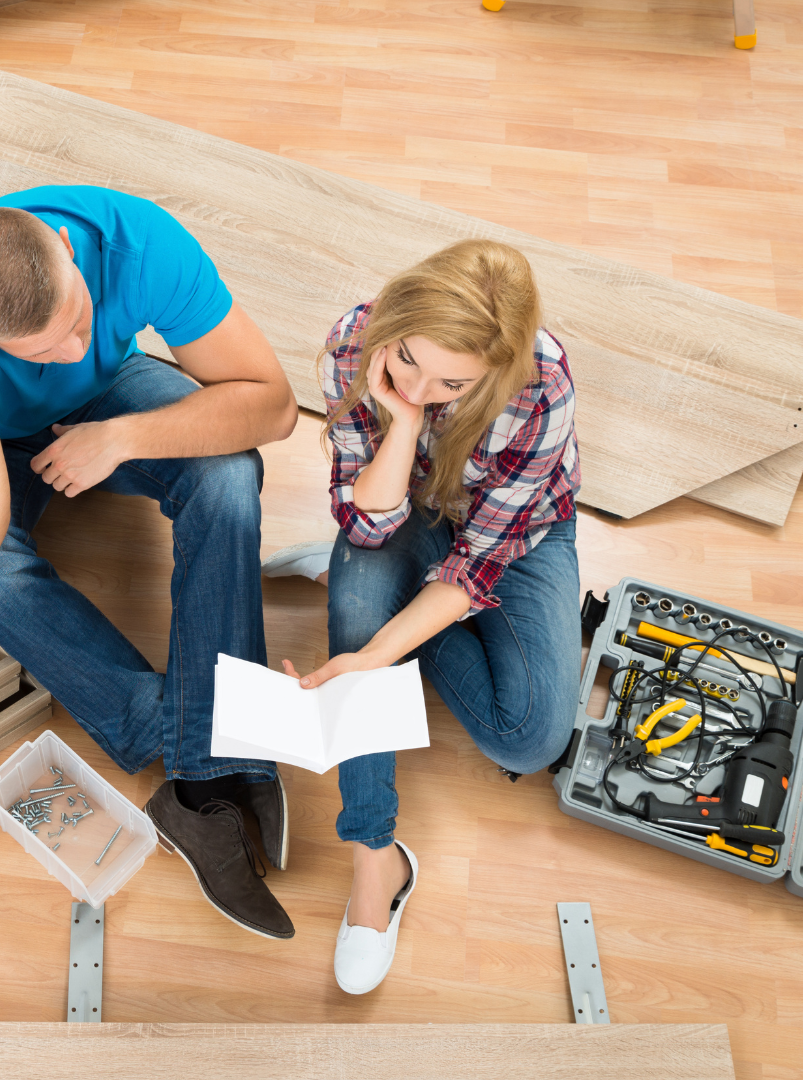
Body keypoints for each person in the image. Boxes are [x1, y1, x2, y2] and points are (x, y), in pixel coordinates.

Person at [0, 187, 302, 938]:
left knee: (229, 473)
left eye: (79, 320)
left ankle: (199, 777)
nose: (72, 349)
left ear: (69, 252)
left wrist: (121, 437)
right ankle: (214, 746)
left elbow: (274, 406)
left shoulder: (135, 241)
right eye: (43, 349)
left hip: (111, 405)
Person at [277, 239, 582, 993]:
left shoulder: (542, 385)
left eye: (453, 382)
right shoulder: (355, 344)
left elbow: (480, 561)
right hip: (401, 510)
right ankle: (374, 857)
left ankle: (392, 609)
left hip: (515, 534)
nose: (421, 385)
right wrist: (405, 423)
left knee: (530, 739)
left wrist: (383, 649)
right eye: (409, 359)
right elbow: (371, 522)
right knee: (360, 611)